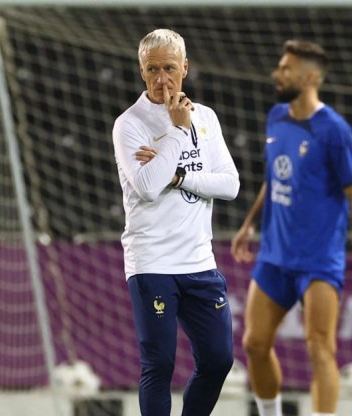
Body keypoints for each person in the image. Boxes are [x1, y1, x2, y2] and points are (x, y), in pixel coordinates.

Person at [231, 40, 352, 416]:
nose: (277, 74)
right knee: (254, 343)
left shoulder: (335, 131)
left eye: (286, 68)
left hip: (319, 261)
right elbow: (274, 177)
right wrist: (249, 223)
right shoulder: (277, 117)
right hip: (275, 256)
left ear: (311, 76)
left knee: (320, 347)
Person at [112, 28, 239, 416]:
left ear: (185, 68)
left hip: (199, 262)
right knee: (160, 365)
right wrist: (177, 131)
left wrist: (180, 175)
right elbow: (149, 186)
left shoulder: (207, 118)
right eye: (153, 69)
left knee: (219, 361)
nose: (162, 78)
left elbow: (230, 185)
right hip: (152, 262)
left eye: (169, 68)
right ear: (141, 72)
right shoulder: (129, 124)